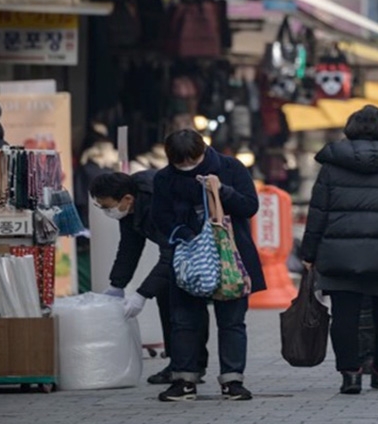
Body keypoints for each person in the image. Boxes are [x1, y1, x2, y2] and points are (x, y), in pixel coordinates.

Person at [301, 105, 378, 395]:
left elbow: (317, 212)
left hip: (339, 253)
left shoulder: (332, 164)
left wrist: (309, 253)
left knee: (344, 316)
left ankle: (350, 374)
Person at [152, 130, 266, 402]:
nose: (188, 166)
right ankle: (184, 380)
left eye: (193, 159)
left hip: (231, 256)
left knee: (232, 322)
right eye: (181, 163)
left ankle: (232, 381)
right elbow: (160, 217)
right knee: (184, 321)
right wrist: (186, 236)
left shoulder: (229, 168)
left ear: (203, 151)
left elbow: (250, 205)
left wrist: (222, 190)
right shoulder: (164, 179)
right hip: (190, 258)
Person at [91, 170, 176, 385]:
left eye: (107, 207)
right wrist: (116, 285)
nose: (106, 212)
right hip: (176, 253)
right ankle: (179, 365)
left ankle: (188, 367)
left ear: (127, 198)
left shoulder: (158, 201)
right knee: (165, 294)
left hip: (193, 252)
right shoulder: (130, 209)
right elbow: (129, 247)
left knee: (180, 304)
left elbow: (171, 253)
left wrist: (142, 294)